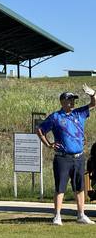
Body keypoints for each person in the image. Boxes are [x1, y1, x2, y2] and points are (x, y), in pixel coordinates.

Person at [37, 84, 96, 226]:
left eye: (73, 100)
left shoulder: (79, 113)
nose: (72, 102)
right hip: (62, 157)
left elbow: (94, 103)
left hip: (78, 157)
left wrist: (93, 94)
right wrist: (48, 144)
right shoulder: (55, 117)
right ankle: (57, 216)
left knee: (80, 187)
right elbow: (40, 130)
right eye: (69, 100)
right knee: (60, 187)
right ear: (62, 102)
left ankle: (81, 215)